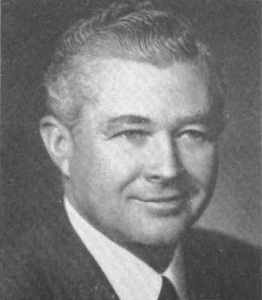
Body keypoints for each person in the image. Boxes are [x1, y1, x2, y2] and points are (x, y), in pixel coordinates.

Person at [1, 2, 260, 299]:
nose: (168, 169)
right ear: (61, 146)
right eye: (132, 133)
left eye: (191, 133)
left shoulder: (250, 269)